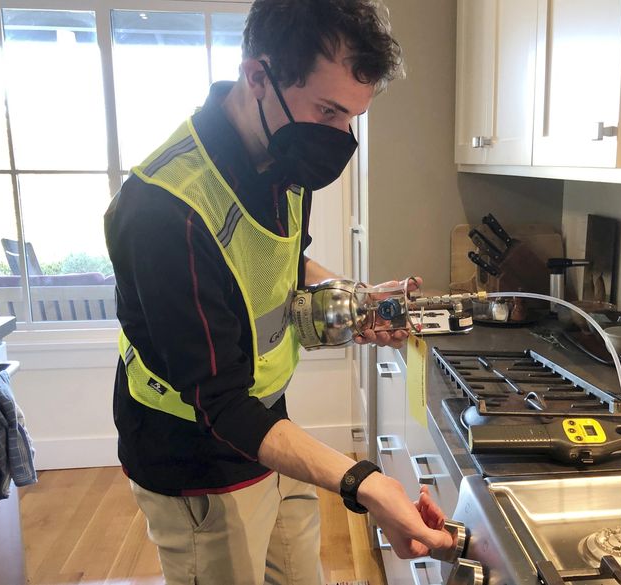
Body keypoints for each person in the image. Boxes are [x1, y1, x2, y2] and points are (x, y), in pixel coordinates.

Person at [103, 1, 453, 583]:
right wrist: (364, 482)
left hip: (272, 428)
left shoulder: (282, 157)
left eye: (351, 119)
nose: (340, 138)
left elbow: (282, 261)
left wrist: (354, 297)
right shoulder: (164, 212)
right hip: (196, 457)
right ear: (257, 75)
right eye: (328, 110)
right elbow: (219, 402)